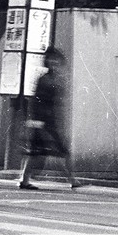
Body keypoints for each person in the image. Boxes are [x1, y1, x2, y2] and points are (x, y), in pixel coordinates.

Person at [17, 47, 79, 190]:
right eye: (51, 60)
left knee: (38, 152)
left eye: (55, 60)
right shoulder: (45, 79)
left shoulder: (52, 78)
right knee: (42, 152)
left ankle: (25, 180)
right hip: (43, 121)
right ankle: (72, 180)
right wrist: (35, 120)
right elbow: (36, 101)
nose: (53, 63)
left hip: (49, 121)